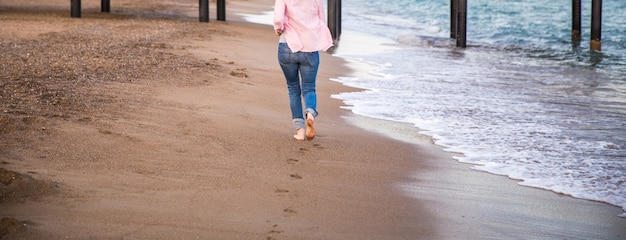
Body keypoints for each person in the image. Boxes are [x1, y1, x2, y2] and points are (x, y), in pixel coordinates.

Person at [273, 0, 334, 141]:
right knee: (309, 88)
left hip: (287, 46)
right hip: (310, 48)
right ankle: (311, 114)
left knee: (293, 88)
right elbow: (321, 20)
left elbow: (278, 18)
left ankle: (300, 131)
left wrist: (278, 29)